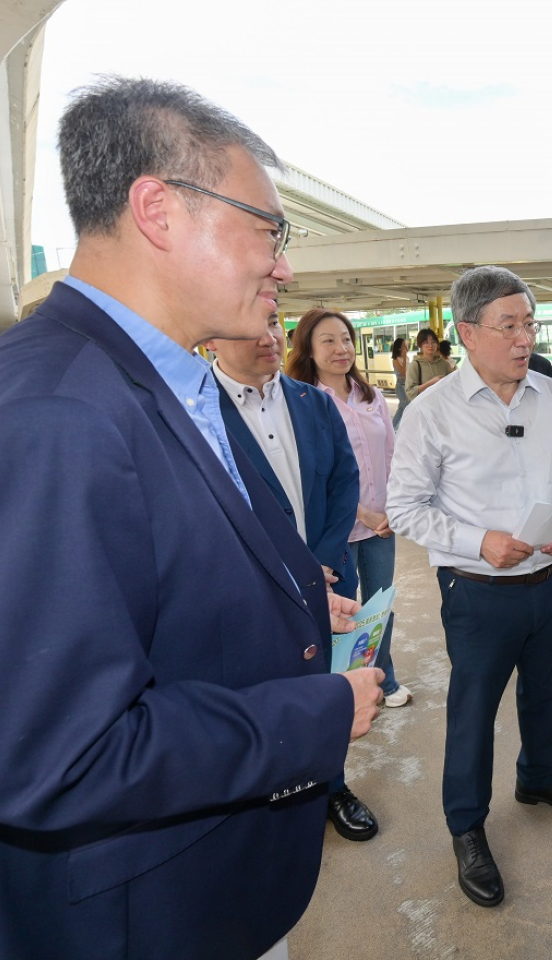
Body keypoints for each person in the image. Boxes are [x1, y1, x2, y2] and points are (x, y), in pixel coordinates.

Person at [0, 76, 382, 960]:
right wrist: (313, 716)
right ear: (159, 210)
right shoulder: (58, 412)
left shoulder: (169, 378)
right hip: (141, 918)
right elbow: (59, 754)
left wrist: (288, 606)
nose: (284, 267)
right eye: (269, 231)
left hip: (210, 890)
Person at [386, 265, 552, 910]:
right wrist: (480, 541)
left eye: (529, 323)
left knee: (548, 692)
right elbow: (405, 508)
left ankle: (538, 779)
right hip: (478, 590)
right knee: (473, 711)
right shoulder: (432, 412)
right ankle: (467, 826)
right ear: (468, 332)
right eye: (508, 325)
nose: (524, 338)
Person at [207, 312, 388, 843]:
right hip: (250, 589)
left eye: (272, 323)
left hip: (327, 578)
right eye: (249, 324)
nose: (268, 337)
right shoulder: (195, 409)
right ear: (211, 336)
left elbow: (343, 480)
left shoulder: (314, 402)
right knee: (265, 691)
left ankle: (332, 786)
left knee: (328, 683)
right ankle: (271, 794)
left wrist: (322, 562)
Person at [287, 308, 410, 704]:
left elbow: (391, 455)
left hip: (381, 524)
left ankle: (382, 679)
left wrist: (394, 508)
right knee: (343, 610)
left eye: (345, 340)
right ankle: (342, 688)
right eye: (328, 341)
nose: (341, 348)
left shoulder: (370, 395)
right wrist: (362, 513)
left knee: (379, 606)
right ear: (307, 348)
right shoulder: (302, 402)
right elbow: (319, 475)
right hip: (336, 530)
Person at [406, 328, 453, 398]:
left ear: (437, 344)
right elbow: (410, 392)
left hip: (443, 403)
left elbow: (452, 385)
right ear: (420, 345)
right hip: (424, 404)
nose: (430, 345)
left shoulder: (444, 364)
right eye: (426, 342)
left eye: (433, 342)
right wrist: (431, 383)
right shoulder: (415, 365)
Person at [391, 336, 411, 430]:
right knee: (408, 407)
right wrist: (404, 357)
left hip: (407, 384)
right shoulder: (396, 359)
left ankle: (392, 428)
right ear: (399, 348)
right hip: (400, 386)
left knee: (401, 409)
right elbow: (403, 373)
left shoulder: (406, 358)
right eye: (404, 346)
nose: (406, 348)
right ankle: (395, 428)